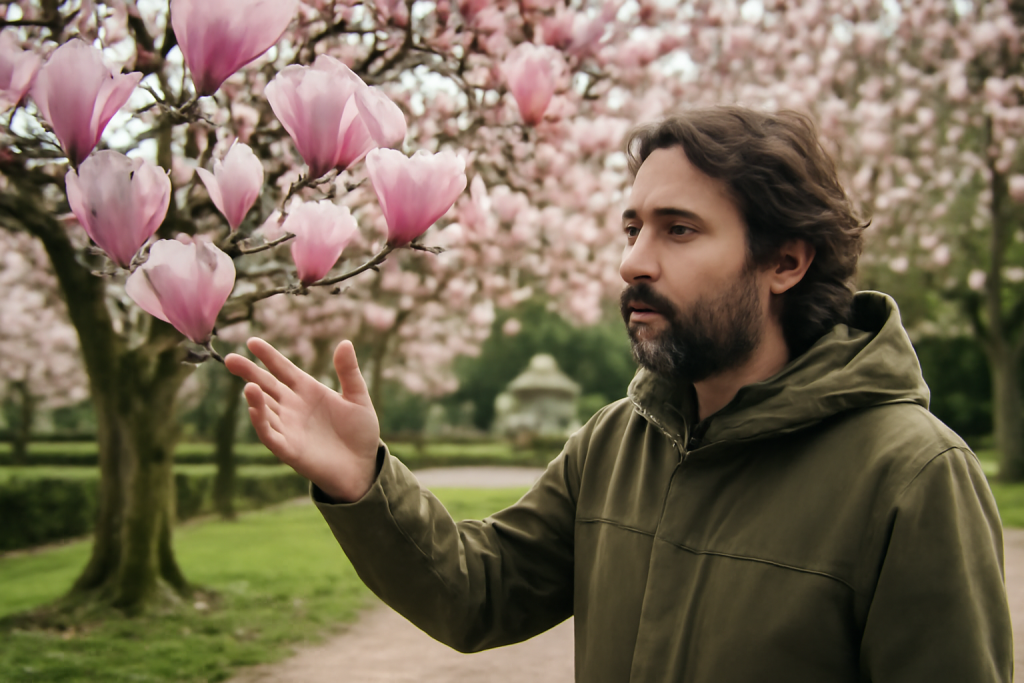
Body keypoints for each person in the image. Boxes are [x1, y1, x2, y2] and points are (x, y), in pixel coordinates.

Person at [225, 106, 1013, 682]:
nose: (633, 261)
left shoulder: (911, 476)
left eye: (678, 229)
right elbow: (481, 592)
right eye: (630, 227)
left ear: (786, 262)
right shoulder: (614, 443)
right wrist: (365, 482)